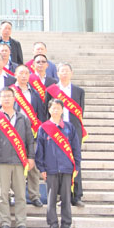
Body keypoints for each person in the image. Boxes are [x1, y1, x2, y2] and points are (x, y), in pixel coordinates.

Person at [0, 87, 35, 228]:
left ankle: (21, 223)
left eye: (9, 96)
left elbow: (29, 140)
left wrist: (31, 157)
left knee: (20, 194)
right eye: (4, 96)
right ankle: (5, 222)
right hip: (1, 161)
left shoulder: (23, 118)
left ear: (14, 99)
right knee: (2, 194)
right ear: (0, 99)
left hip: (20, 161)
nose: (7, 99)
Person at [36, 99, 81, 228]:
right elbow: (40, 151)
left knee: (66, 198)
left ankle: (66, 225)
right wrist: (42, 168)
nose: (55, 110)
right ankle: (53, 224)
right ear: (49, 110)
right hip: (51, 169)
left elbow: (75, 148)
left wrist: (76, 165)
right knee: (51, 199)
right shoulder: (43, 128)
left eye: (58, 108)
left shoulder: (69, 127)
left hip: (66, 168)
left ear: (62, 110)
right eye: (53, 108)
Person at [49, 63, 86, 207]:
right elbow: (47, 111)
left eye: (67, 71)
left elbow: (80, 113)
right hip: (56, 130)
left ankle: (76, 195)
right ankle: (61, 196)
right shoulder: (51, 90)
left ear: (72, 73)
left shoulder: (79, 91)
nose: (64, 73)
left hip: (73, 131)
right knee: (58, 163)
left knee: (75, 162)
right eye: (61, 71)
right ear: (57, 74)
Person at [13, 64, 46, 207]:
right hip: (13, 133)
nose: (24, 76)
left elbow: (41, 115)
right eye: (21, 73)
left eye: (26, 73)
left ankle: (34, 195)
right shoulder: (10, 91)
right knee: (15, 166)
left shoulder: (35, 94)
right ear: (15, 75)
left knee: (33, 166)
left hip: (32, 134)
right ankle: (14, 195)